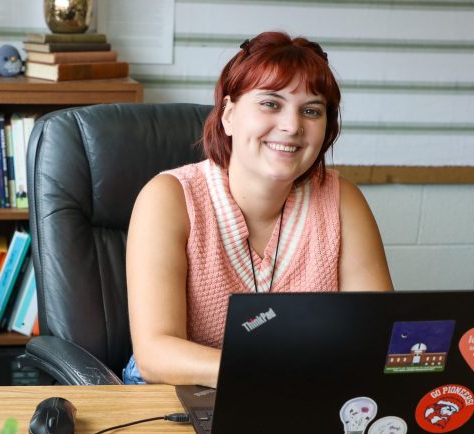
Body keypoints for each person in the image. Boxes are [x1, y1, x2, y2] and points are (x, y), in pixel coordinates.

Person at [124, 31, 393, 387]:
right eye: (270, 103)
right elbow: (155, 354)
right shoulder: (169, 197)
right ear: (229, 115)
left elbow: (378, 336)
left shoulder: (343, 201)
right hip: (178, 397)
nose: (292, 126)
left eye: (311, 110)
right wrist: (273, 373)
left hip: (304, 395)